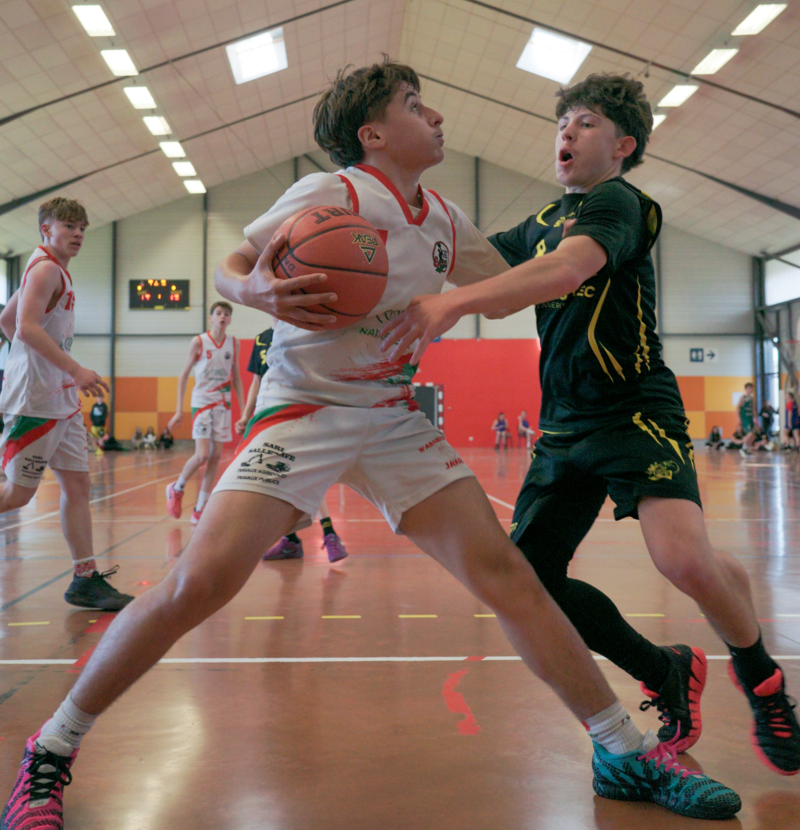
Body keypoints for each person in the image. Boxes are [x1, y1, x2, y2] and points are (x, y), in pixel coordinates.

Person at [2, 61, 741, 828]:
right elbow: (235, 265)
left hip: (391, 415)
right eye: (416, 107)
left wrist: (603, 243)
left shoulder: (444, 218)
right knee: (199, 583)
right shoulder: (332, 193)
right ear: (374, 134)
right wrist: (252, 289)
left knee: (512, 577)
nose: (438, 117)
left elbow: (524, 280)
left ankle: (620, 749)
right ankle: (49, 750)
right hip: (304, 408)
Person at [382, 72, 800, 779]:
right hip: (565, 425)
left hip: (635, 411)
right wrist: (396, 227)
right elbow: (473, 266)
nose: (566, 133)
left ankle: (763, 682)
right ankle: (662, 669)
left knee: (684, 561)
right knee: (528, 581)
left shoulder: (620, 204)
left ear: (623, 145)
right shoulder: (539, 223)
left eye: (585, 122)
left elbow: (567, 270)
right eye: (562, 123)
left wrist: (452, 306)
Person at [0, 198, 133, 613]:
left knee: (77, 486)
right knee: (16, 495)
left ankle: (84, 579)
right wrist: (72, 369)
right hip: (35, 401)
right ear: (46, 229)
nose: (77, 233)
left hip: (61, 399)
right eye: (69, 226)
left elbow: (6, 320)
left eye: (82, 227)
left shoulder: (52, 268)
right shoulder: (44, 269)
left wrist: (49, 366)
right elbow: (25, 327)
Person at [237, 324, 347, 563]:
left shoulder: (303, 331)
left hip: (298, 410)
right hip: (268, 415)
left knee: (303, 475)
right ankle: (294, 539)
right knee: (275, 477)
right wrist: (246, 416)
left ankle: (325, 534)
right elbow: (256, 381)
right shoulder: (262, 338)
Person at [165, 301, 244, 526]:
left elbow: (237, 378)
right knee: (202, 455)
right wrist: (179, 410)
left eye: (226, 314)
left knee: (215, 456)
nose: (222, 316)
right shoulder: (199, 341)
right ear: (211, 318)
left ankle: (200, 507)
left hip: (223, 404)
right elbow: (183, 376)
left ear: (230, 320)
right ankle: (177, 487)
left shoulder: (233, 343)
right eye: (218, 313)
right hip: (201, 403)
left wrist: (244, 411)